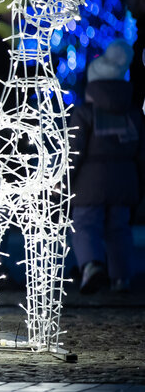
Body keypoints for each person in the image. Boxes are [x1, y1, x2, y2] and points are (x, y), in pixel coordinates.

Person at [69, 39, 145, 295]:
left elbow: (74, 150)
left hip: (90, 183)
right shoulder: (133, 114)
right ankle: (121, 276)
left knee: (85, 224)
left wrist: (64, 177)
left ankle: (91, 266)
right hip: (125, 182)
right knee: (118, 229)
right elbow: (141, 154)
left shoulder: (84, 114)